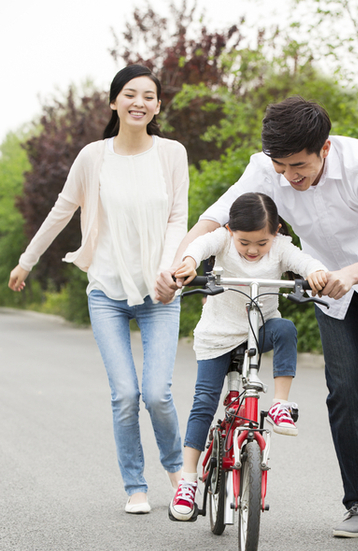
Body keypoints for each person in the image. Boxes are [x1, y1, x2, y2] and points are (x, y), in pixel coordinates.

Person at [157, 96, 358, 543]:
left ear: (325, 148)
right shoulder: (265, 168)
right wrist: (176, 262)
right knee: (343, 389)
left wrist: (349, 275)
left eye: (298, 165)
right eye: (280, 166)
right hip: (326, 284)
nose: (289, 176)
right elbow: (213, 221)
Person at [9, 64, 189, 514]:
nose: (139, 103)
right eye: (130, 94)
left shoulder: (172, 154)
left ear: (158, 105)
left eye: (148, 96)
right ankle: (135, 487)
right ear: (114, 102)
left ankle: (177, 472)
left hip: (159, 292)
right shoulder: (93, 157)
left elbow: (178, 219)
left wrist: (169, 269)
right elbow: (60, 212)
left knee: (157, 394)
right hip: (107, 291)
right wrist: (26, 261)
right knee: (125, 394)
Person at [168, 192, 327, 521]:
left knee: (285, 327)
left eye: (262, 243)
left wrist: (316, 273)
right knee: (205, 401)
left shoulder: (281, 247)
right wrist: (188, 262)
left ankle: (281, 404)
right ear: (230, 231)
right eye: (244, 243)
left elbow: (305, 261)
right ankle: (187, 480)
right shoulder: (222, 241)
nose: (253, 250)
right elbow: (199, 246)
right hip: (219, 335)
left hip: (260, 330)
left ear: (277, 232)